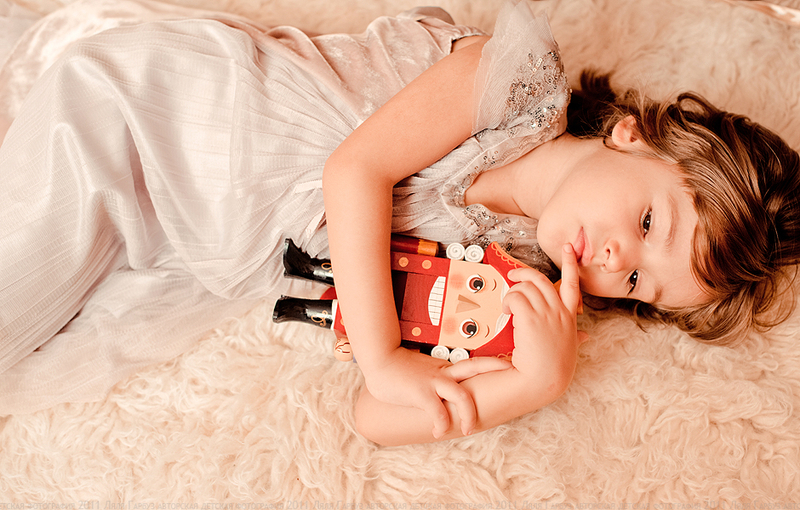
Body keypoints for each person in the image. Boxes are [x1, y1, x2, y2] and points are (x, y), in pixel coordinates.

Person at [0, 0, 797, 447]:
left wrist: (533, 382)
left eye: (637, 282)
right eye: (650, 221)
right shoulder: (513, 86)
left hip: (179, 237)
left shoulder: (511, 287)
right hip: (155, 121)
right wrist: (384, 356)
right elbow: (356, 171)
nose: (617, 258)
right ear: (632, 133)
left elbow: (375, 418)